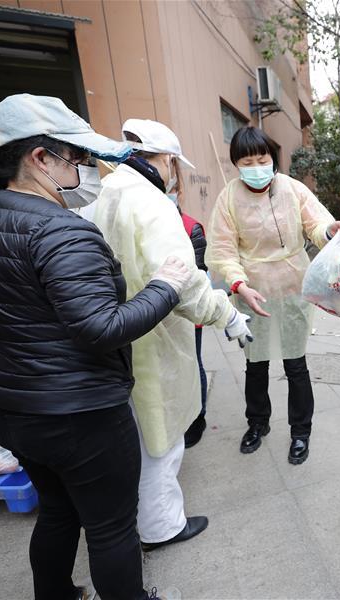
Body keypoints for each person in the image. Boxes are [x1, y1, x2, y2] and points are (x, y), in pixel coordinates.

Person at [0, 93, 188, 600]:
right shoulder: (60, 231)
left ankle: (55, 593)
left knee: (57, 510)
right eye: (75, 158)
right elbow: (101, 327)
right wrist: (167, 285)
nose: (84, 170)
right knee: (111, 527)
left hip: (12, 405)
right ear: (40, 159)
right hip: (80, 415)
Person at [91, 117, 252, 552]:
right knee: (160, 441)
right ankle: (161, 526)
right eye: (173, 164)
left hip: (114, 337)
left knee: (136, 437)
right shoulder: (153, 204)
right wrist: (229, 317)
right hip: (152, 338)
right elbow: (186, 284)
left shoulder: (104, 193)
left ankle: (140, 519)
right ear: (163, 160)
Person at [205, 126, 340, 465]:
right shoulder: (228, 198)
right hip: (252, 291)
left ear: (273, 159)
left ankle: (301, 431)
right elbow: (222, 250)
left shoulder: (292, 189)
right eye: (247, 162)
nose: (256, 168)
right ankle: (258, 423)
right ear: (237, 166)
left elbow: (315, 224)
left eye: (262, 159)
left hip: (292, 287)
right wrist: (238, 284)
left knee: (295, 363)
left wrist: (329, 230)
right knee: (256, 364)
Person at [157, 150, 210, 448]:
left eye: (172, 190)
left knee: (192, 363)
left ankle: (197, 418)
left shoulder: (192, 227)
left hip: (188, 314)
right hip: (152, 316)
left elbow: (197, 277)